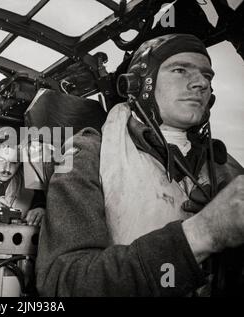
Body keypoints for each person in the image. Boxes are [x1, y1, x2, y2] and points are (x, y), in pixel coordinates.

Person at [36, 34, 244, 296]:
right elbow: (63, 282)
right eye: (180, 70)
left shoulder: (227, 168)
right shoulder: (88, 154)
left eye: (208, 76)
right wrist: (203, 233)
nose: (201, 83)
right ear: (139, 85)